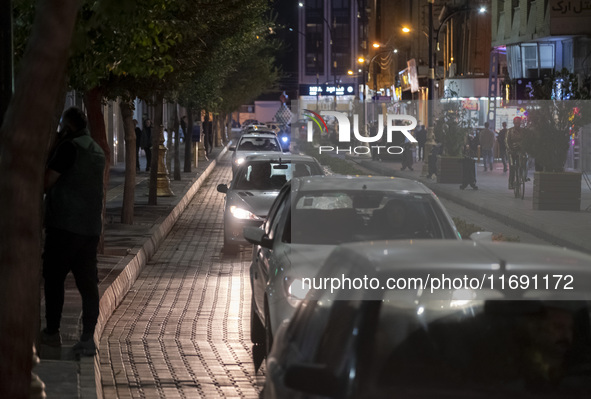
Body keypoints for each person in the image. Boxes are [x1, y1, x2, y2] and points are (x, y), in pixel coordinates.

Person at [41, 107, 105, 357]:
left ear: (67, 127)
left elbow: (47, 181)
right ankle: (88, 337)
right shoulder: (96, 150)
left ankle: (52, 333)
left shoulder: (68, 148)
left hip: (64, 225)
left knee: (54, 279)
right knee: (88, 284)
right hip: (90, 229)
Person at [506, 116, 527, 190]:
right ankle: (511, 182)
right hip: (512, 151)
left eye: (519, 122)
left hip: (520, 150)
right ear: (514, 123)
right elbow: (507, 142)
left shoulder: (523, 131)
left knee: (522, 162)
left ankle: (522, 176)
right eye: (516, 122)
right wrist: (509, 149)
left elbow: (526, 141)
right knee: (512, 166)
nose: (517, 124)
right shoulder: (510, 131)